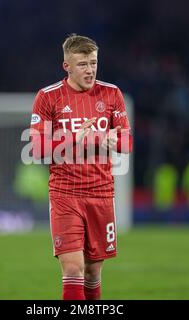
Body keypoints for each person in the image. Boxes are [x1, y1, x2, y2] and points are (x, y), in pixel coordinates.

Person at [29, 34, 133, 300]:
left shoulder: (111, 94)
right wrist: (75, 138)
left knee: (92, 271)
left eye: (93, 63)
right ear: (67, 66)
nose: (90, 70)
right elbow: (37, 148)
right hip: (65, 194)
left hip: (100, 193)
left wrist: (112, 138)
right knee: (73, 267)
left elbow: (127, 141)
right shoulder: (48, 97)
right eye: (83, 64)